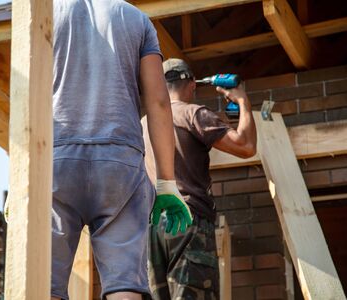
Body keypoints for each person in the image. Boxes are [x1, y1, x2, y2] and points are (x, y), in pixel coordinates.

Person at [50, 2, 192, 300]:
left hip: (56, 159)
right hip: (120, 163)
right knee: (124, 283)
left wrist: (20, 175)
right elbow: (159, 102)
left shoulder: (45, 10)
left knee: (44, 282)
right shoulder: (137, 19)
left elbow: (24, 90)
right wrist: (166, 182)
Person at [143, 58, 257, 299]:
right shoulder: (193, 113)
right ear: (192, 85)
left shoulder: (144, 123)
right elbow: (246, 146)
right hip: (186, 220)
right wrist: (243, 101)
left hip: (150, 225)